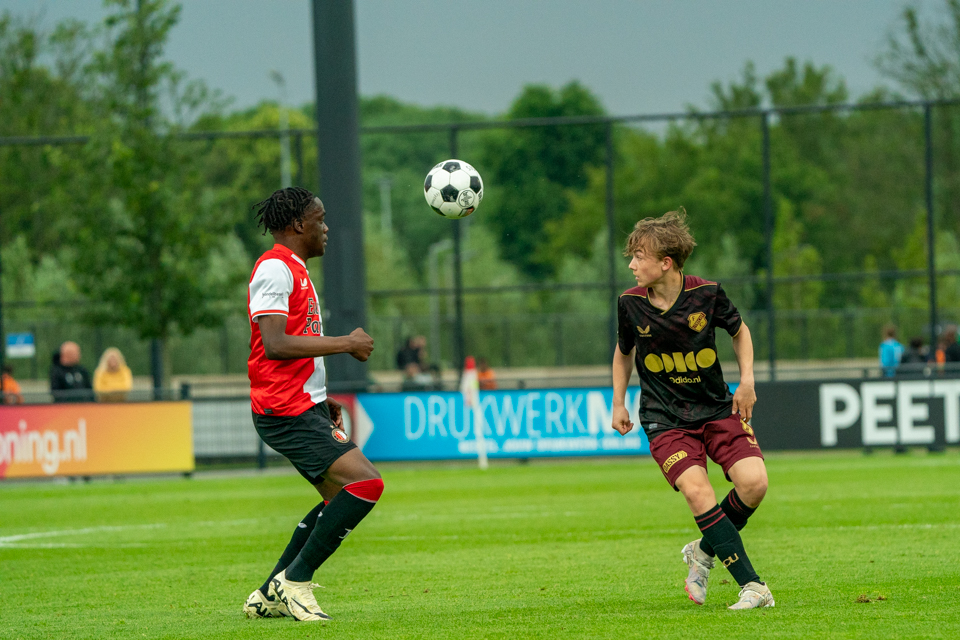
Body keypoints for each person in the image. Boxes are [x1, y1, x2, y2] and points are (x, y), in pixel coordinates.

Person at [610, 209, 773, 610]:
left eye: (639, 257)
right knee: (697, 490)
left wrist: (747, 380)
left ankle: (704, 549)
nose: (631, 265)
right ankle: (753, 586)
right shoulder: (630, 304)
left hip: (716, 408)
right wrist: (618, 401)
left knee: (754, 483)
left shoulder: (707, 294)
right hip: (664, 418)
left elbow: (740, 331)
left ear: (665, 263)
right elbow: (623, 351)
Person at [241, 187, 382, 623]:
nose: (326, 229)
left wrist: (322, 401)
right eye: (319, 220)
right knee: (365, 484)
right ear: (298, 224)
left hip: (301, 405)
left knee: (338, 495)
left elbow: (292, 350)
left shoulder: (295, 269)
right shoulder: (275, 269)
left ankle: (269, 593)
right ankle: (295, 581)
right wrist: (347, 344)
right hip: (283, 410)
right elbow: (276, 344)